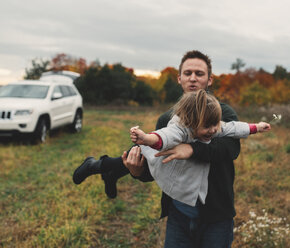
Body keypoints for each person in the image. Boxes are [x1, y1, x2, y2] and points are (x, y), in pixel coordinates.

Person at [72, 50, 249, 247]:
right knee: (141, 148)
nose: (193, 78)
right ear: (179, 78)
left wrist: (191, 150)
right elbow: (158, 166)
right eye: (187, 73)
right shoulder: (167, 119)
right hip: (178, 216)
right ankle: (105, 169)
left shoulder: (223, 112)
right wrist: (136, 172)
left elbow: (230, 149)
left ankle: (102, 168)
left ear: (209, 80)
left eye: (199, 74)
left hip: (217, 219)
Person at [129, 89, 270, 207]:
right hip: (166, 166)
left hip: (207, 198)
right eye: (207, 127)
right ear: (191, 122)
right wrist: (146, 139)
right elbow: (166, 135)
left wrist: (256, 127)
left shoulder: (213, 125)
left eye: (216, 124)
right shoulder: (181, 129)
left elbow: (232, 127)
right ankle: (109, 165)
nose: (214, 130)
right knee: (131, 155)